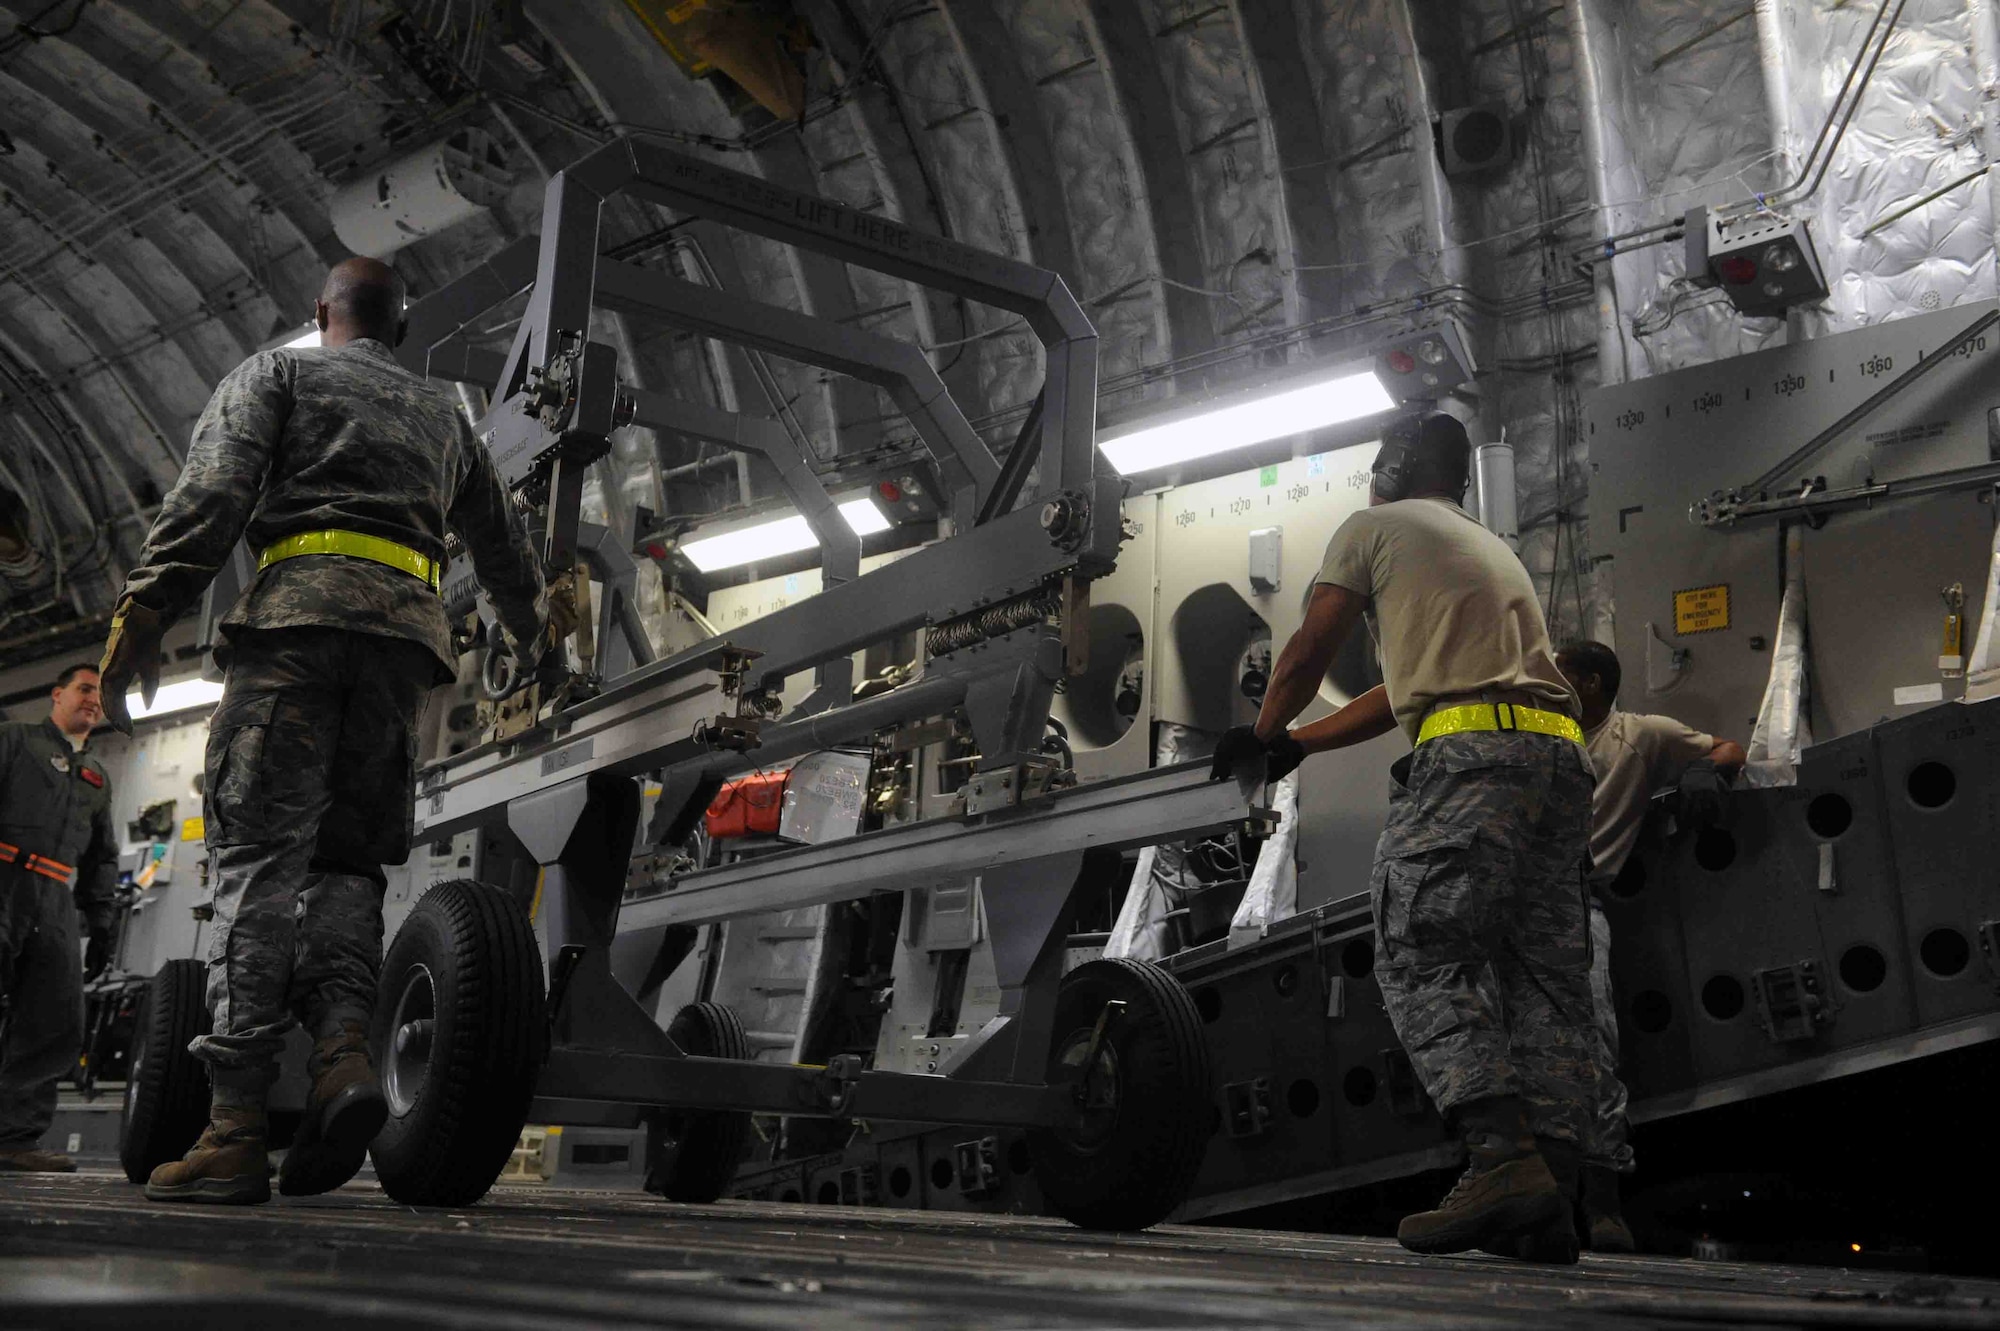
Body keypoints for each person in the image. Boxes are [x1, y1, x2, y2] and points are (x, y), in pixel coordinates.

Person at [99, 257, 556, 1206]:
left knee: (256, 867)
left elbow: (213, 496)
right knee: (348, 868)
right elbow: (506, 551)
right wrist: (542, 646)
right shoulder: (449, 416)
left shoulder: (280, 374)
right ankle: (345, 1057)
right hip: (401, 653)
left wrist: (144, 610)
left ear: (322, 314)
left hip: (295, 635)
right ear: (401, 325)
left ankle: (232, 1130)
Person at [1210, 412, 1612, 1263]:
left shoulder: (1372, 528)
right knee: (1540, 975)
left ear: (1386, 471)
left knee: (1419, 940)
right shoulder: (1483, 546)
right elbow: (1403, 692)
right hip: (1557, 758)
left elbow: (1308, 647)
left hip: (1474, 758)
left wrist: (1260, 730)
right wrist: (1299, 745)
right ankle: (1551, 1198)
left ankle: (1501, 1160)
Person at [1554, 638, 1745, 1252]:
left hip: (1574, 910)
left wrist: (1701, 769)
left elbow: (1728, 747)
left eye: (1556, 675)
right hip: (1510, 912)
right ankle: (1541, 1205)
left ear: (1587, 684)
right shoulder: (1531, 736)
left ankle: (1603, 1204)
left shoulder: (1639, 735)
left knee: (1594, 1052)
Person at [0, 665, 118, 1172]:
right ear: (57, 695)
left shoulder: (96, 776)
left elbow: (103, 855)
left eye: (100, 693)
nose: (93, 699)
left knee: (53, 1016)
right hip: (3, 879)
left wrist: (102, 919)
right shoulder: (16, 740)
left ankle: (13, 1139)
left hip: (55, 899)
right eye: (84, 689)